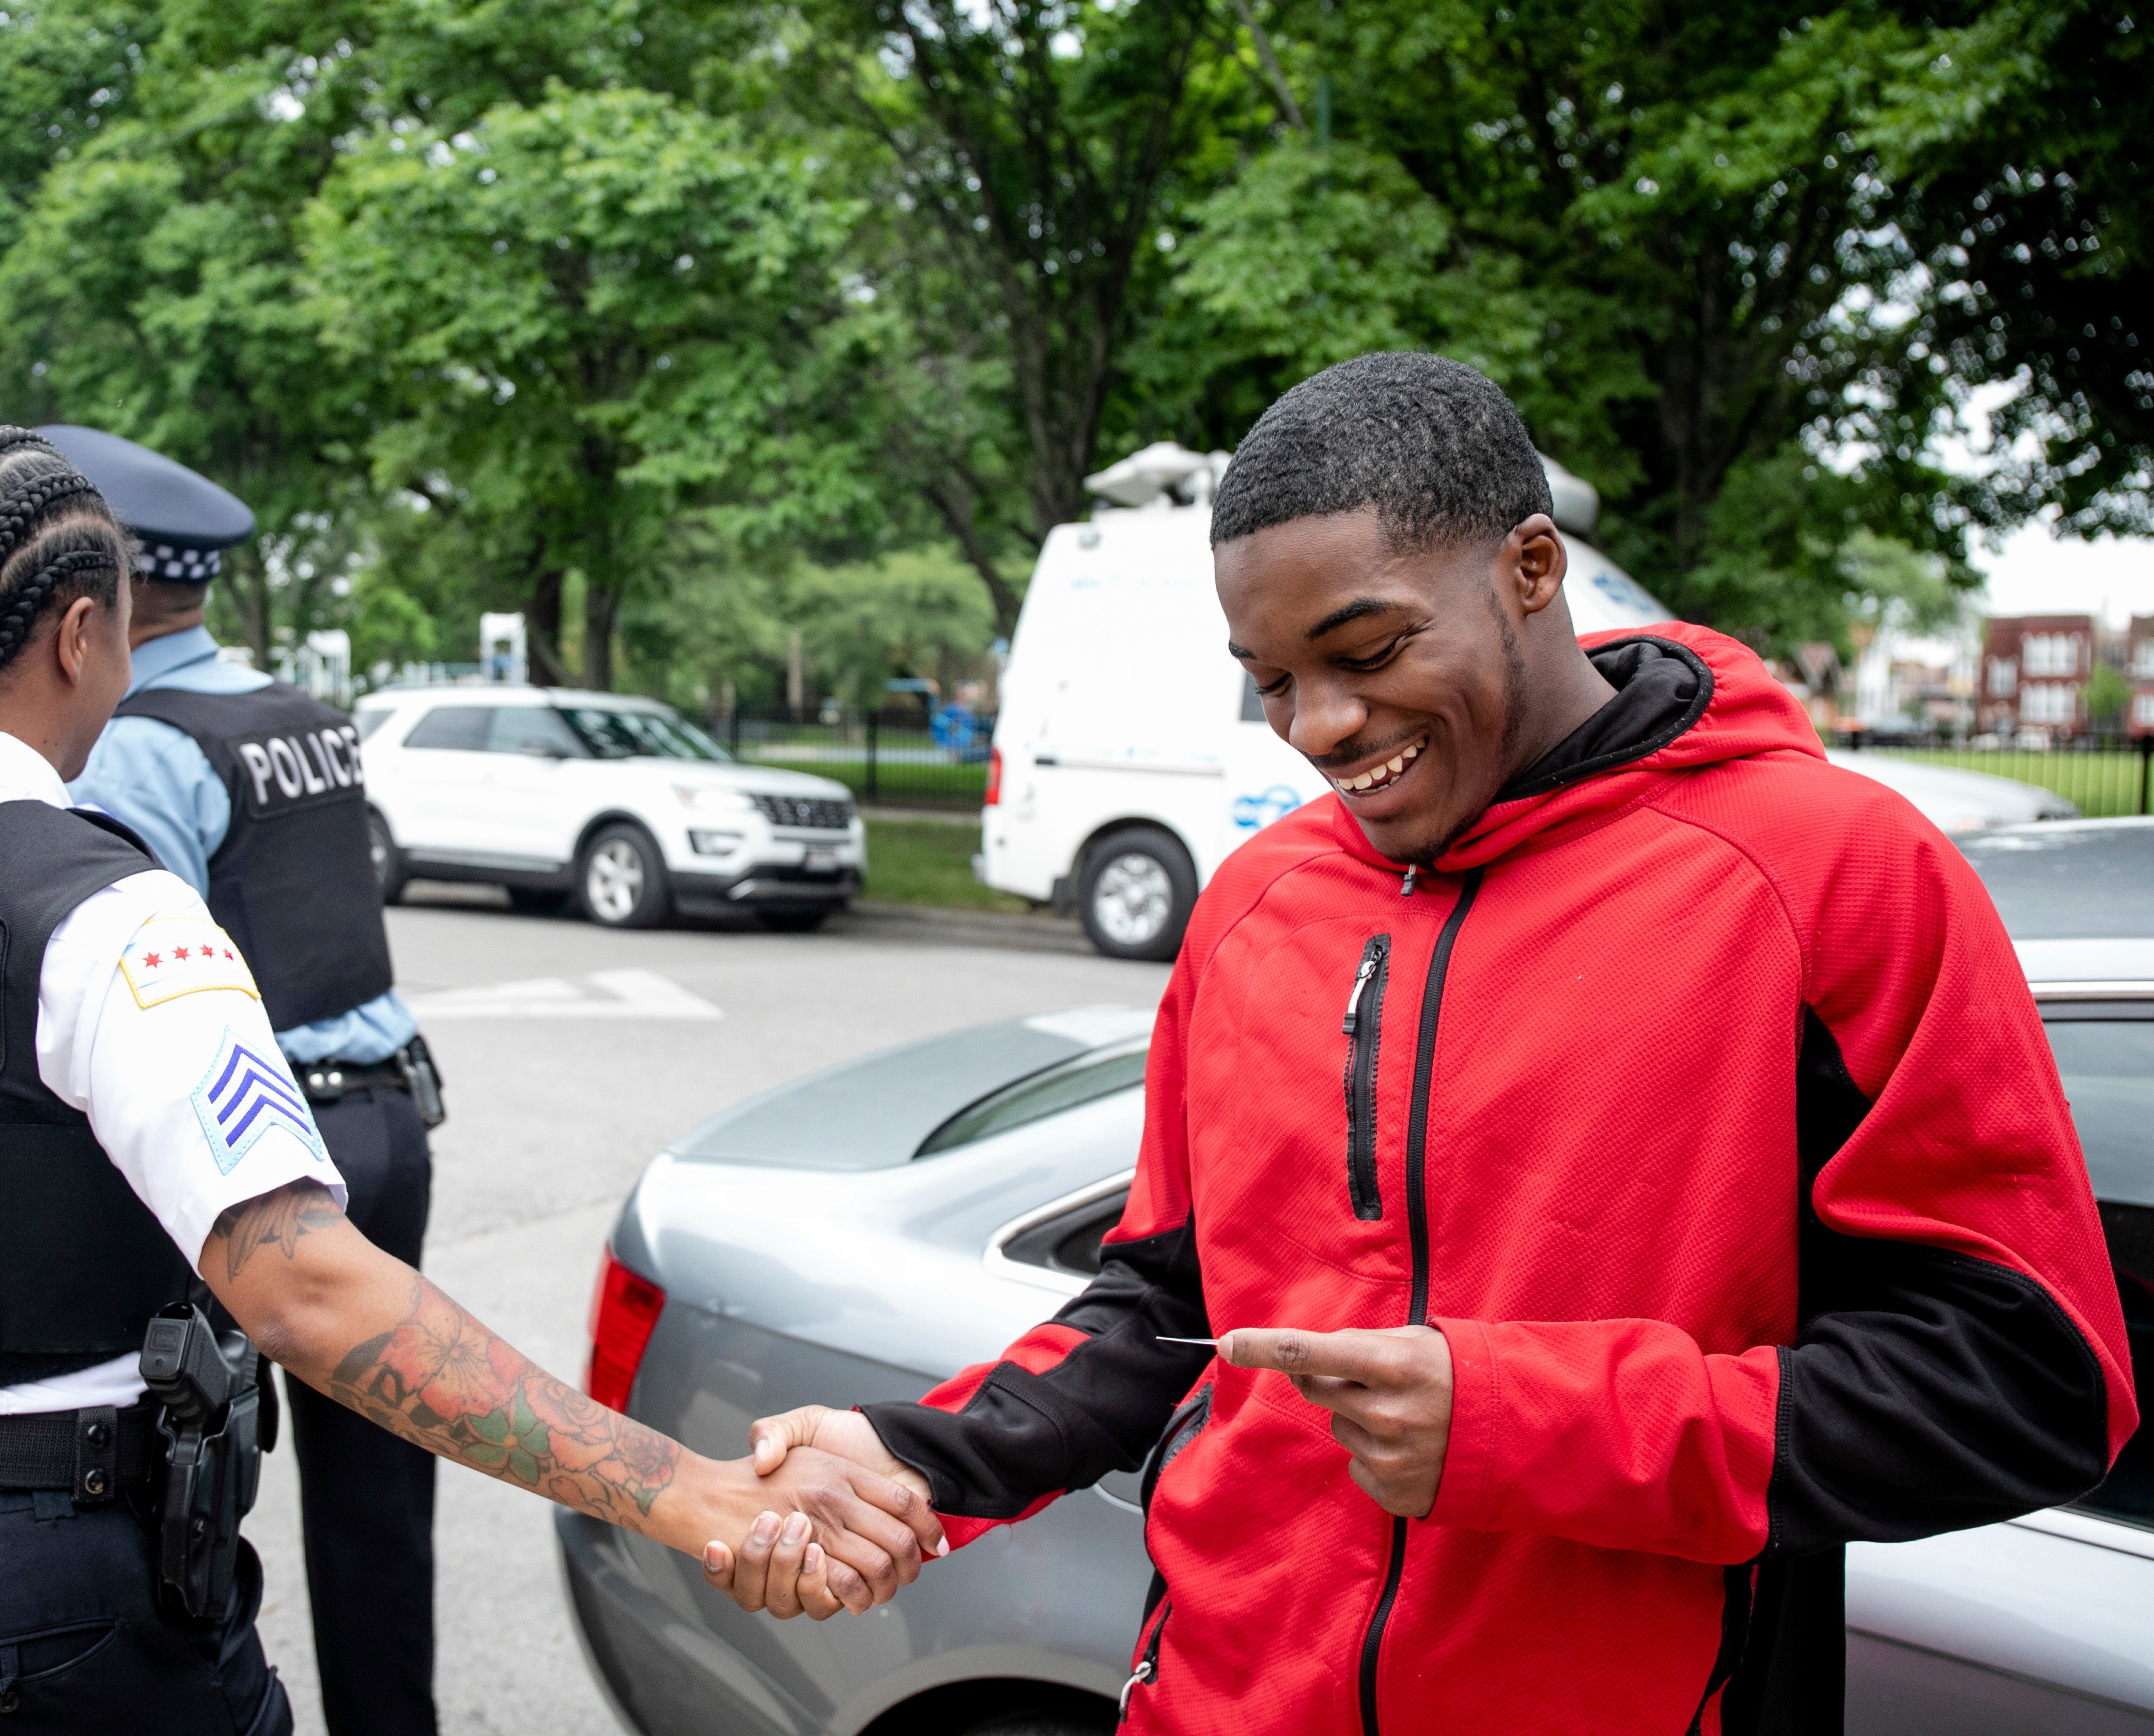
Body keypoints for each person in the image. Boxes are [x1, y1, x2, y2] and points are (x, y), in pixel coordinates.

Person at [725, 353, 2137, 1733]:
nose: (1319, 728)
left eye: (1367, 651)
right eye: (1269, 678)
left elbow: (2031, 1383)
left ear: (1532, 570)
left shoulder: (1831, 879)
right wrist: (921, 1456)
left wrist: (1527, 1423)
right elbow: (1166, 1302)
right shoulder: (1255, 905)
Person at [0, 423, 938, 1735]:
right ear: (80, 636)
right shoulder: (103, 914)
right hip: (16, 1618)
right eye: (125, 632)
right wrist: (692, 1492)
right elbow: (311, 1294)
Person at [43, 424, 444, 1736]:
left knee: (195, 1475)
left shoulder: (139, 746)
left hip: (261, 1154)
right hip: (389, 1119)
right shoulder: (299, 714)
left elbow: (133, 972)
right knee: (377, 1500)